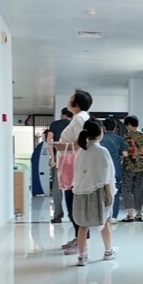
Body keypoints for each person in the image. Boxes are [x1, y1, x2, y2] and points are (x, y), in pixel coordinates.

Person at [72, 119, 118, 266]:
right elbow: (106, 175)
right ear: (100, 133)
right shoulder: (102, 151)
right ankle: (108, 251)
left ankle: (82, 256)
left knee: (83, 225)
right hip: (98, 193)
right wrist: (109, 193)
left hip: (80, 192)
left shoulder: (81, 151)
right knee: (105, 222)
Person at [52, 91, 92, 255]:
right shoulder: (78, 118)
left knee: (75, 205)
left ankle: (82, 242)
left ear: (77, 103)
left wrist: (64, 146)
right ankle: (78, 238)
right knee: (72, 204)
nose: (68, 100)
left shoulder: (80, 118)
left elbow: (83, 142)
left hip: (76, 167)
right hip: (73, 166)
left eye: (71, 98)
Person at [120, 116, 143, 222]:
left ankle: (130, 214)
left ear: (129, 125)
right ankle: (139, 214)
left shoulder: (127, 136)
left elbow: (125, 152)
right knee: (138, 189)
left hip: (129, 166)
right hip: (141, 166)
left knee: (126, 189)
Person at [47, 108, 73, 223]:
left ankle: (58, 215)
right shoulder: (74, 125)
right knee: (72, 187)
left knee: (57, 189)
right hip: (72, 160)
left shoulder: (55, 124)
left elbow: (49, 142)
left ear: (62, 114)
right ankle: (73, 214)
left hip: (59, 159)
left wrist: (53, 159)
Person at [99, 117, 126, 223]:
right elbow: (125, 154)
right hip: (115, 168)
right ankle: (113, 216)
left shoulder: (100, 139)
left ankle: (102, 216)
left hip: (102, 169)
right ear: (115, 128)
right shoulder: (119, 139)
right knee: (115, 192)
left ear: (104, 127)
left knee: (101, 192)